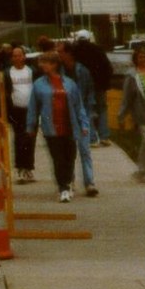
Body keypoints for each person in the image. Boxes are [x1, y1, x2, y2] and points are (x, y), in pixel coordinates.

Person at [27, 51, 90, 202]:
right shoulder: (38, 84)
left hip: (69, 125)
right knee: (58, 158)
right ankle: (63, 188)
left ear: (54, 64)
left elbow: (78, 105)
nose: (42, 65)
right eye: (41, 62)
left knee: (70, 157)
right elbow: (33, 107)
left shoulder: (69, 83)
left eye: (46, 62)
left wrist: (84, 123)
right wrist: (30, 126)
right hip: (51, 127)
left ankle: (67, 182)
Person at [56, 42, 98, 195]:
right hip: (65, 116)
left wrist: (89, 115)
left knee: (84, 150)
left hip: (82, 115)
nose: (58, 55)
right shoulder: (58, 72)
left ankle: (90, 183)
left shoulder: (83, 71)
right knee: (69, 152)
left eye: (60, 52)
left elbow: (90, 92)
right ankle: (70, 180)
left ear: (69, 53)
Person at [117, 46, 145, 182]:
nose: (144, 59)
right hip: (143, 111)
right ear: (135, 60)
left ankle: (142, 172)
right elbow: (126, 98)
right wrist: (121, 115)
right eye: (140, 57)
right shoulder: (132, 76)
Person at [2, 44, 36, 183]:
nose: (17, 58)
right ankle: (20, 168)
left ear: (24, 57)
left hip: (31, 110)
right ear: (12, 58)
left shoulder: (31, 71)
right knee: (19, 139)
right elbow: (3, 92)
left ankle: (29, 168)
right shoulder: (7, 72)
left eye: (19, 55)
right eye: (14, 55)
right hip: (16, 110)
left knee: (30, 139)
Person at [72, 31, 114, 144]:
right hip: (100, 84)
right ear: (89, 39)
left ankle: (92, 138)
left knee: (87, 109)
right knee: (102, 109)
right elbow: (108, 67)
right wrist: (106, 83)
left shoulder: (75, 50)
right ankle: (104, 136)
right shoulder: (98, 49)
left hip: (83, 85)